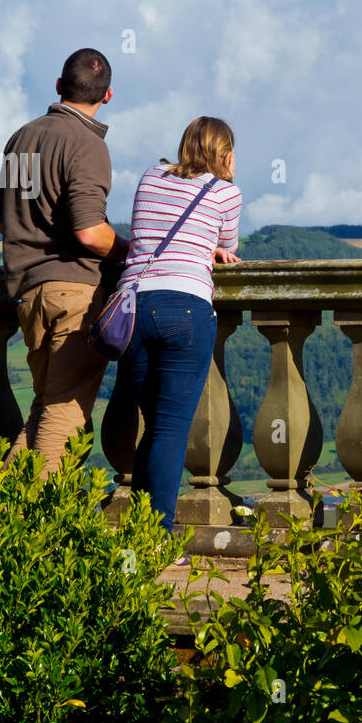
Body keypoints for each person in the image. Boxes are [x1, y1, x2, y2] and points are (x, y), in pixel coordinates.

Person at [0, 48, 128, 475]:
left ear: (58, 85)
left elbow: (3, 213)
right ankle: (35, 524)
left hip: (26, 293)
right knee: (64, 414)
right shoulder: (88, 146)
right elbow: (90, 231)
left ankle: (2, 516)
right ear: (107, 96)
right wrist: (137, 252)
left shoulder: (20, 139)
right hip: (75, 294)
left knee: (44, 409)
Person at [119, 117, 241, 547]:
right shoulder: (226, 192)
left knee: (152, 429)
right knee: (169, 432)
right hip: (185, 306)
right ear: (225, 154)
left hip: (133, 308)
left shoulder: (150, 176)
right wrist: (215, 248)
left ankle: (137, 539)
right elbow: (228, 240)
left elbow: (144, 232)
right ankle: (155, 545)